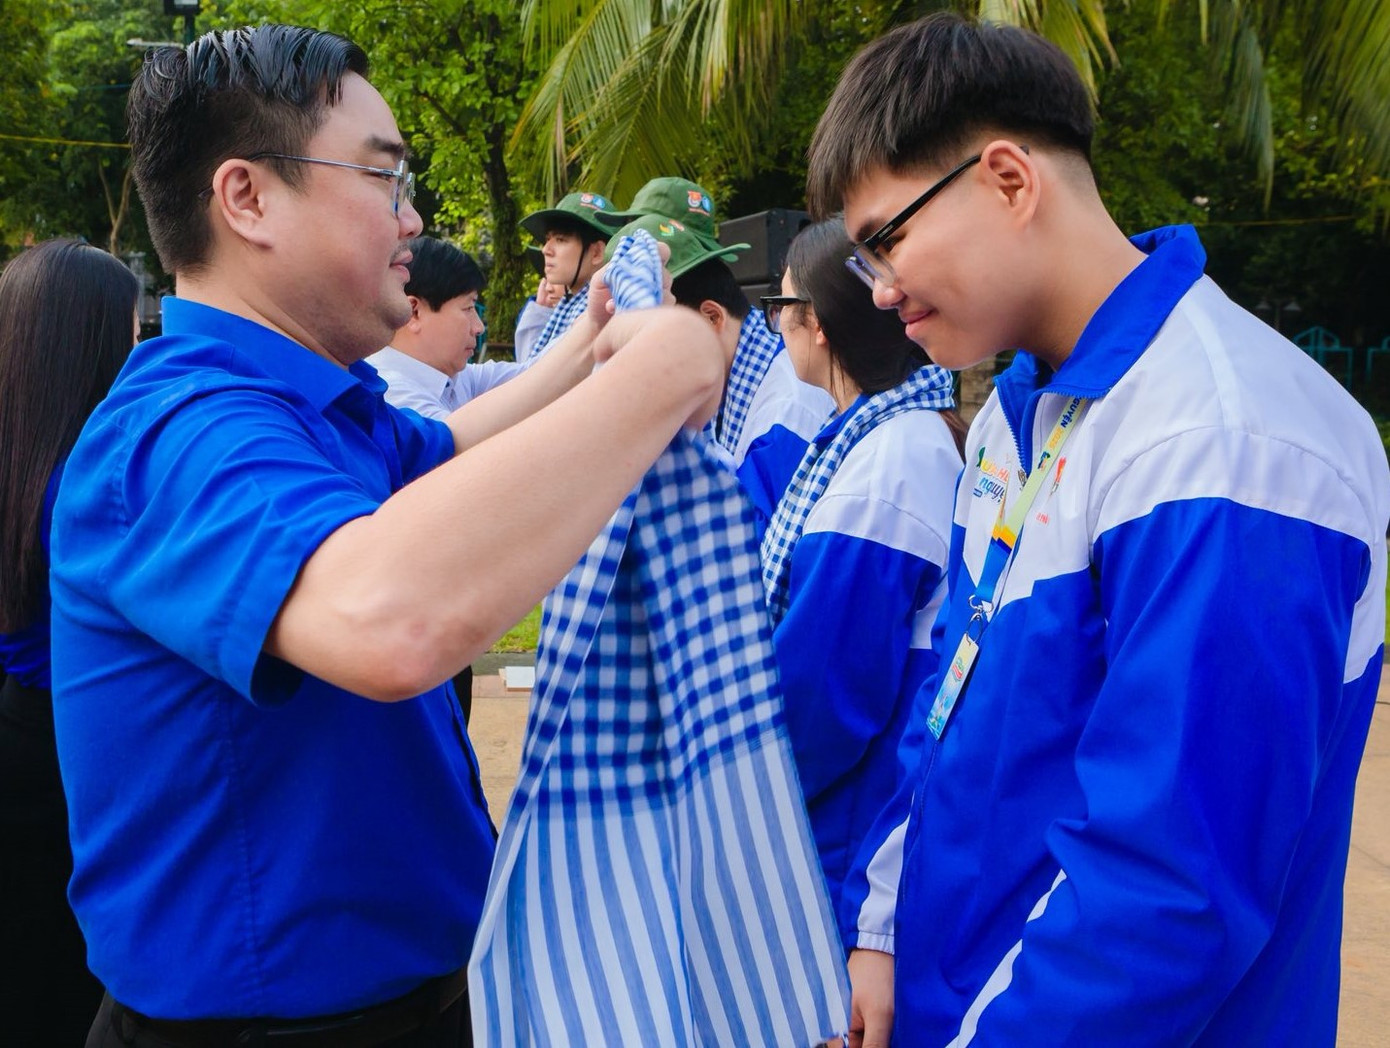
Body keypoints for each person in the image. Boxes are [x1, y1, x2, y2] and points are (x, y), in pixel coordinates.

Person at [50, 25, 722, 1048]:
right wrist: (658, 373)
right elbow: (387, 620)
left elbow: (446, 447)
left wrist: (589, 347)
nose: (412, 218)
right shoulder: (179, 430)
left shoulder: (317, 405)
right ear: (246, 198)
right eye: (383, 177)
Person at [806, 12, 1390, 1048]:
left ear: (1007, 180)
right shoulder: (1009, 415)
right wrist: (883, 932)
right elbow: (945, 703)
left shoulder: (1224, 441)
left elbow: (1167, 899)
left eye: (885, 240)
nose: (881, 290)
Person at [754, 218, 964, 946]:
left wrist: (744, 809)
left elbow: (819, 702)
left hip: (846, 842)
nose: (777, 328)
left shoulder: (883, 470)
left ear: (814, 322)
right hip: (856, 825)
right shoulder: (886, 436)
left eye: (781, 307)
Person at [0, 238, 139, 1045]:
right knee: (69, 970)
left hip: (18, 722)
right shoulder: (90, 478)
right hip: (74, 742)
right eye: (127, 333)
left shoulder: (24, 458)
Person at [611, 213, 834, 476]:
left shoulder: (782, 420)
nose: (646, 355)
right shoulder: (749, 367)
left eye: (655, 333)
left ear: (712, 317)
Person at [367, 236, 522, 419]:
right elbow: (455, 440)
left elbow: (537, 375)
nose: (478, 327)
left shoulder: (455, 378)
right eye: (468, 308)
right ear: (414, 312)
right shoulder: (389, 394)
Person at [514, 191, 623, 361]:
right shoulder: (570, 302)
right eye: (547, 240)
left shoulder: (598, 312)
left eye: (561, 240)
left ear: (596, 252)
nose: (545, 250)